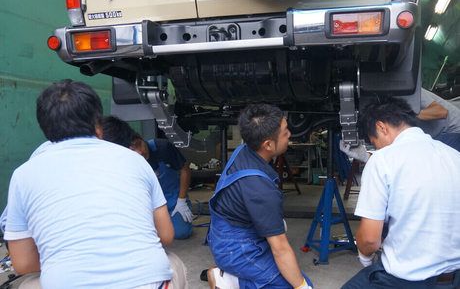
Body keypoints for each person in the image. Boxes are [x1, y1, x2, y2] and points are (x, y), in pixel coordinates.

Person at [4, 79, 188, 288]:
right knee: (172, 261)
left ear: (45, 128)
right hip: (148, 284)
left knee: (27, 284)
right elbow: (166, 235)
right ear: (98, 126)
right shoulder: (135, 159)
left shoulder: (23, 175)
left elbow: (23, 263)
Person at [341, 98, 460, 288]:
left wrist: (365, 260)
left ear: (381, 127)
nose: (377, 148)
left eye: (374, 142)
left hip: (408, 279)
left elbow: (370, 240)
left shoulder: (382, 161)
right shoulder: (454, 156)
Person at [207, 104, 313, 289]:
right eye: (285, 132)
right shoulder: (260, 188)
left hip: (224, 233)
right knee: (293, 285)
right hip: (235, 248)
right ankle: (230, 280)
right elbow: (280, 248)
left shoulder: (243, 150)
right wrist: (303, 287)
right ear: (268, 145)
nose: (289, 135)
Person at [102, 115, 194, 240]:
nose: (140, 151)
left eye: (139, 144)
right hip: (147, 204)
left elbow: (185, 170)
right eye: (133, 149)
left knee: (180, 233)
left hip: (172, 200)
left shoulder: (163, 148)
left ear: (141, 137)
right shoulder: (126, 161)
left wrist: (181, 201)